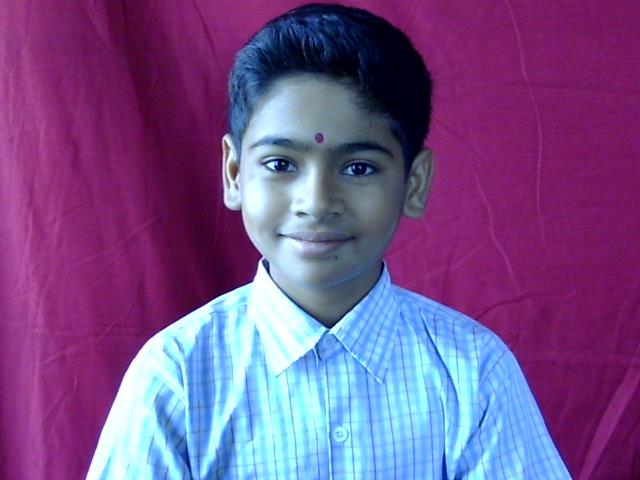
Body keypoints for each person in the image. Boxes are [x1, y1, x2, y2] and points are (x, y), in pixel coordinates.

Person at [87, 3, 570, 479]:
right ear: (234, 173)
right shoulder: (176, 378)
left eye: (358, 168)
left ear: (414, 183)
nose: (316, 202)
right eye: (280, 164)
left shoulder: (473, 373)